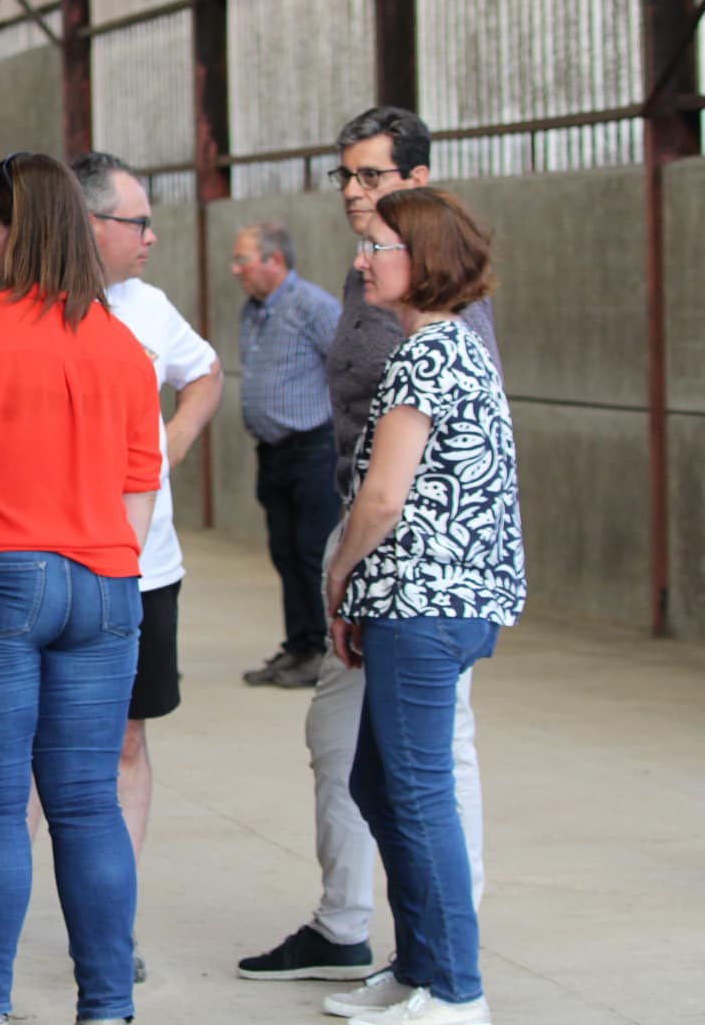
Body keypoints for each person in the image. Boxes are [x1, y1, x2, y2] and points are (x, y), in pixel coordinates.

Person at [0, 153, 221, 984]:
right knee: (90, 804)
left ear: (16, 228)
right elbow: (142, 479)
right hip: (104, 588)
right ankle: (107, 1001)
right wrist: (113, 572)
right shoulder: (120, 343)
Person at [240, 107, 498, 987]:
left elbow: (443, 461)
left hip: (413, 562)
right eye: (345, 174)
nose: (354, 192)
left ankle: (449, 954)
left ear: (418, 184)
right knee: (355, 754)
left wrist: (351, 567)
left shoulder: (443, 317)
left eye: (373, 176)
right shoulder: (372, 282)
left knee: (428, 763)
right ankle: (356, 927)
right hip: (371, 541)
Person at [318, 187, 523, 1025]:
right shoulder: (452, 347)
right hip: (437, 601)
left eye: (380, 247)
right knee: (377, 781)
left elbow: (381, 499)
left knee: (416, 789)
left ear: (425, 260)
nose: (362, 260)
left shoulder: (428, 355)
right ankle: (419, 967)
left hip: (424, 603)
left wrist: (339, 575)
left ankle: (456, 989)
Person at [232, 220, 342, 688]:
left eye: (243, 259)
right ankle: (298, 645)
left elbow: (347, 367)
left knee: (313, 551)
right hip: (274, 452)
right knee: (285, 551)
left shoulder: (313, 306)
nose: (235, 269)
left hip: (314, 448)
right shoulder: (253, 310)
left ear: (275, 260)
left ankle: (322, 650)